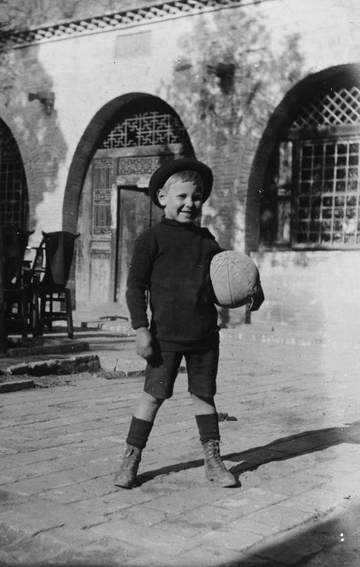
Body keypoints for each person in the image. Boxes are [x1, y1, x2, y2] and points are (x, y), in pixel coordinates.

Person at [114, 157, 235, 490]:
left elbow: (223, 281)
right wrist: (141, 330)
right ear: (162, 198)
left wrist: (249, 290)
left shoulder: (207, 240)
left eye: (195, 197)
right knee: (152, 396)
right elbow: (135, 287)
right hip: (164, 337)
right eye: (181, 197)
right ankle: (131, 459)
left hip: (204, 336)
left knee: (204, 396)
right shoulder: (150, 239)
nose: (190, 204)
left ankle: (213, 461)